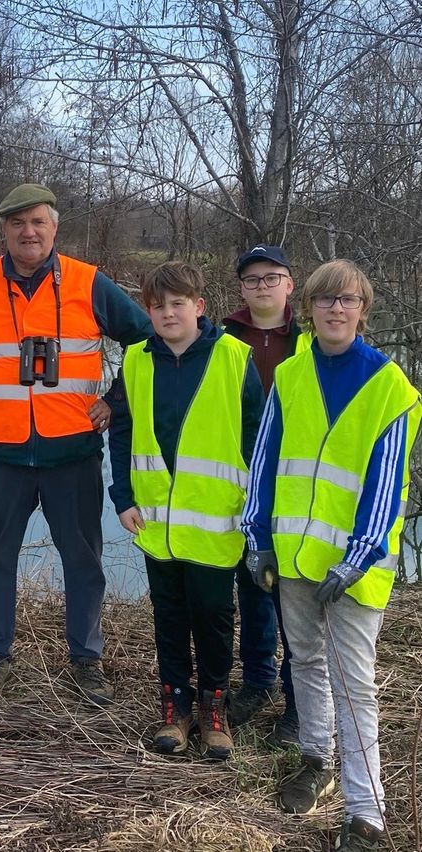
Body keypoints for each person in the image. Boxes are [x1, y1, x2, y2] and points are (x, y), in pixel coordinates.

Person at [0, 183, 153, 705]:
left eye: (38, 222)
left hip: (73, 452)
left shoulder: (88, 283)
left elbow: (145, 342)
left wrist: (116, 400)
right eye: (18, 223)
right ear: (3, 230)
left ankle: (85, 660)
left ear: (54, 227)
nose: (29, 232)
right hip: (1, 454)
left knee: (84, 561)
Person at [242, 260, 420, 850]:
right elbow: (266, 459)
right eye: (325, 301)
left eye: (347, 301)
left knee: (354, 683)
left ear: (362, 310)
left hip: (353, 567)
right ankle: (316, 760)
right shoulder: (291, 375)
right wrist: (257, 536)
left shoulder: (389, 385)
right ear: (310, 310)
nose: (336, 310)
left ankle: (367, 813)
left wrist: (359, 558)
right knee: (307, 663)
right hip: (293, 557)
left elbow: (387, 481)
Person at [109, 261, 264, 759]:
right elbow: (122, 432)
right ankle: (174, 706)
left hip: (218, 522)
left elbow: (260, 443)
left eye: (178, 304)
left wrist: (256, 511)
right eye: (158, 306)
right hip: (156, 523)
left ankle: (213, 710)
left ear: (199, 307)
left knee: (215, 618)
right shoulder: (134, 360)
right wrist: (123, 497)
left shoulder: (235, 358)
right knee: (169, 616)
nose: (168, 313)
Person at [223, 245, 309, 745]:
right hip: (239, 479)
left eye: (272, 277)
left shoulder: (310, 339)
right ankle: (257, 681)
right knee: (252, 585)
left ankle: (299, 703)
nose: (262, 287)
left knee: (292, 593)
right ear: (241, 288)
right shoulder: (223, 338)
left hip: (296, 483)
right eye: (252, 279)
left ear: (289, 284)